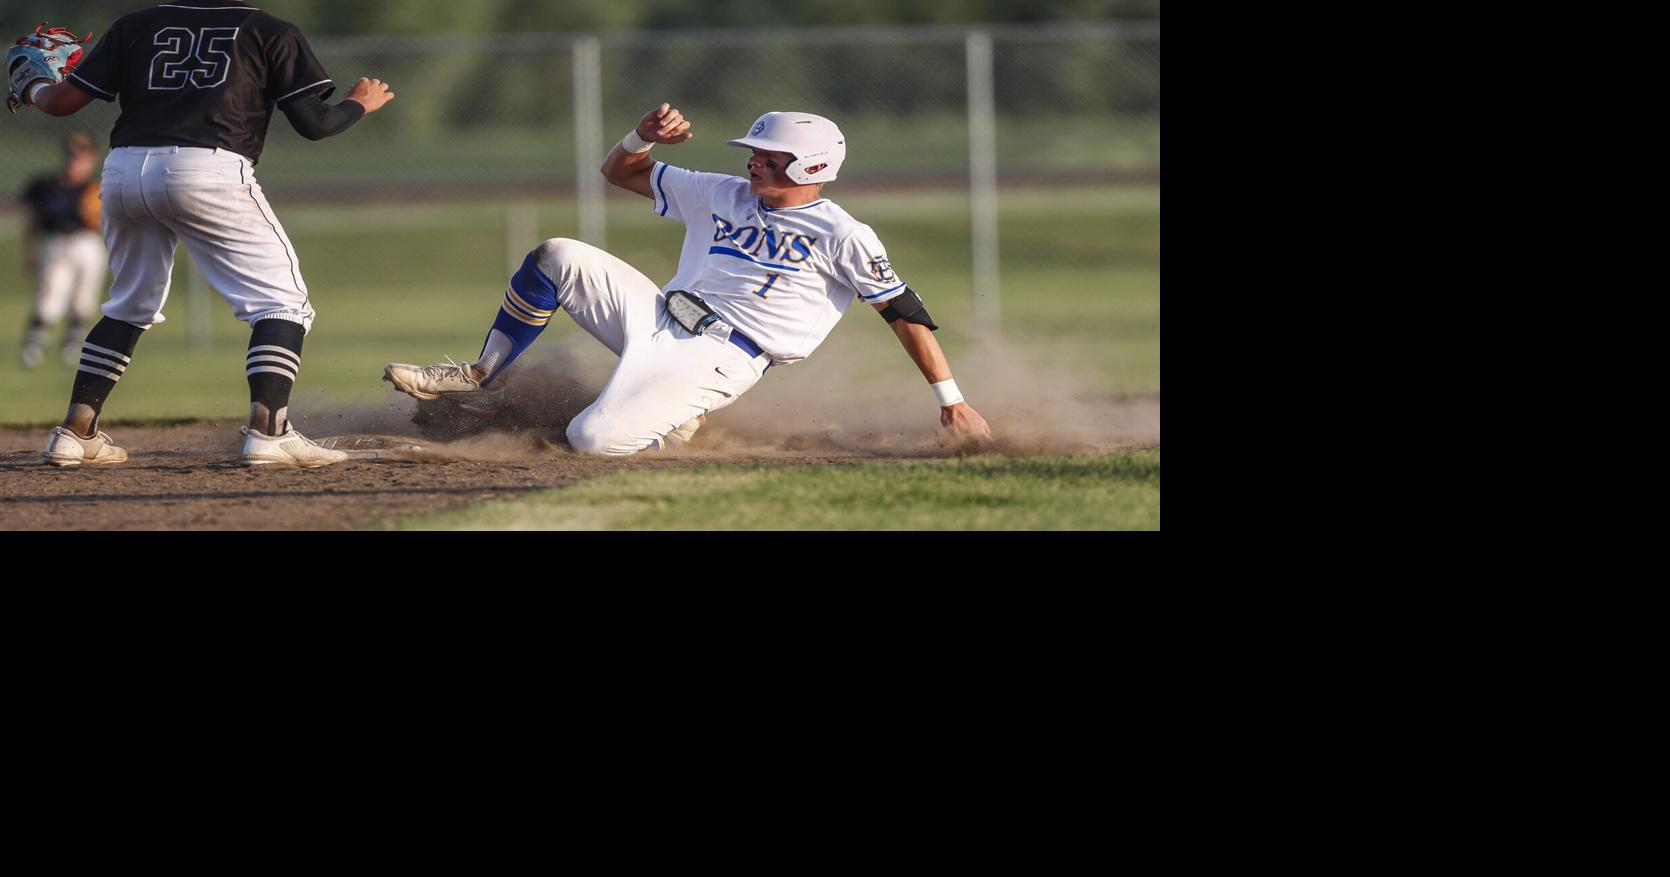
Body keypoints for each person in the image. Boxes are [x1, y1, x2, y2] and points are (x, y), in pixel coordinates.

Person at [383, 103, 992, 455]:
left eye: (768, 154)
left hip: (723, 358)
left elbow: (903, 312)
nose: (753, 159)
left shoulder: (843, 234)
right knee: (558, 253)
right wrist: (641, 138)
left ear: (811, 165)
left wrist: (953, 402)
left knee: (591, 440)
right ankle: (479, 373)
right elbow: (620, 173)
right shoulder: (720, 191)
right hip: (656, 314)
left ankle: (674, 422)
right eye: (754, 150)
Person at [12, 2, 394, 467]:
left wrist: (32, 83)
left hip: (124, 171)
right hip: (207, 167)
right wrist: (360, 103)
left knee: (129, 305)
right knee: (282, 303)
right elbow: (316, 124)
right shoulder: (268, 30)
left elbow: (57, 103)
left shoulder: (137, 23)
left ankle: (74, 433)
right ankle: (269, 431)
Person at [18, 131, 105, 369]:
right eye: (72, 155)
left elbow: (106, 221)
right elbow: (33, 220)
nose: (75, 160)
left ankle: (72, 347)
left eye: (82, 156)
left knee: (83, 299)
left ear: (91, 158)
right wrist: (29, 250)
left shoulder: (96, 187)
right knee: (49, 297)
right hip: (56, 242)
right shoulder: (46, 185)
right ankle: (33, 347)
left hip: (87, 243)